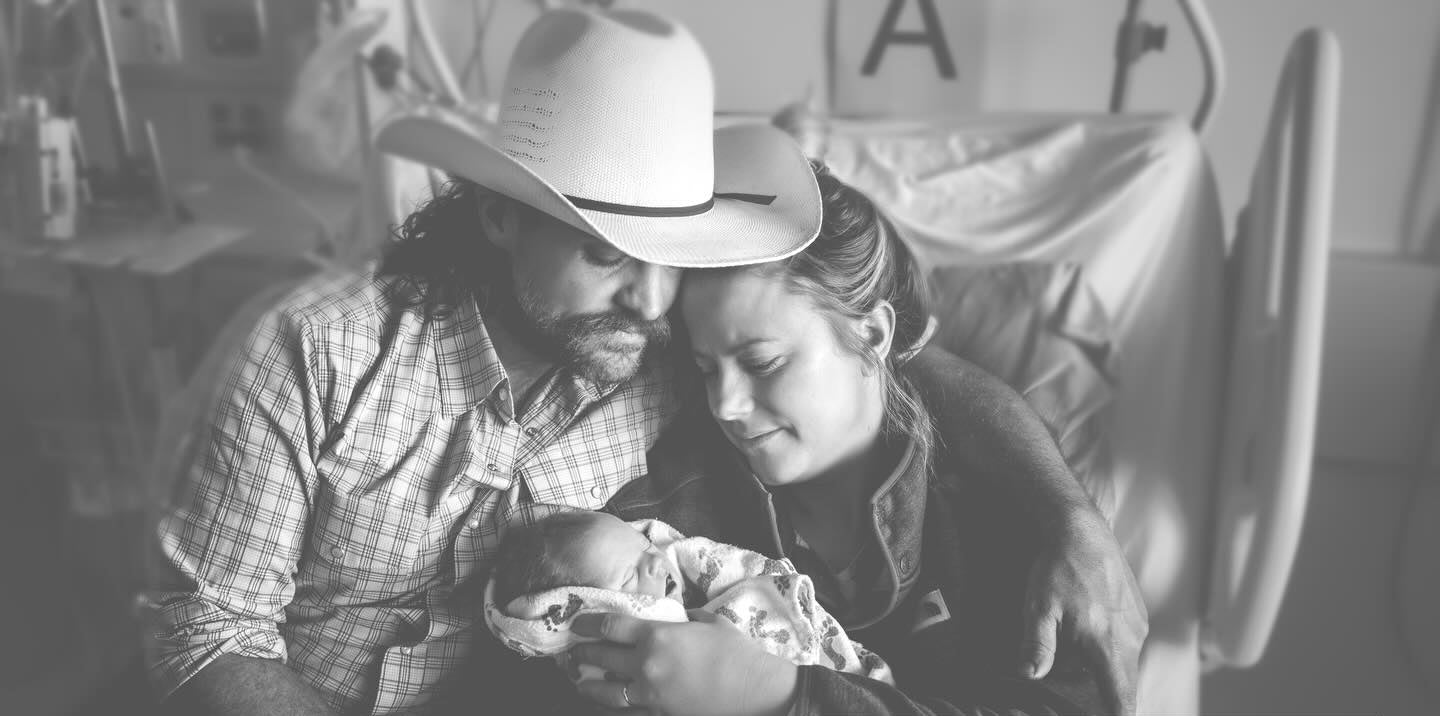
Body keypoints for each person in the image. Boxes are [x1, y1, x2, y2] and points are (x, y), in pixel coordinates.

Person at [147, 7, 1143, 716]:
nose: (651, 294)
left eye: (671, 257)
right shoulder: (313, 352)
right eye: (606, 248)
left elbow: (901, 379)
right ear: (499, 214)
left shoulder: (675, 351)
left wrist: (1070, 513)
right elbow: (205, 631)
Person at [551, 163, 1144, 716]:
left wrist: (780, 694)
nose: (725, 404)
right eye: (707, 368)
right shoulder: (666, 516)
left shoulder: (1001, 522)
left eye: (763, 363)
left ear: (874, 334)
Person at [483, 511, 893, 684]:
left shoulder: (706, 588)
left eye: (645, 549)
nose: (656, 564)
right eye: (628, 576)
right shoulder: (604, 671)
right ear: (584, 609)